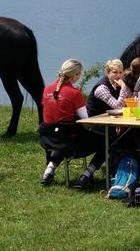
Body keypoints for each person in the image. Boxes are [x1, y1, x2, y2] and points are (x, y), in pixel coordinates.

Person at [40, 58, 106, 189]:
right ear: (74, 76)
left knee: (61, 141)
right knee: (106, 142)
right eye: (79, 74)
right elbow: (85, 119)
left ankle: (49, 171)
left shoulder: (47, 89)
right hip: (68, 141)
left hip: (48, 138)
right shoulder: (74, 93)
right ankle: (86, 175)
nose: (79, 77)